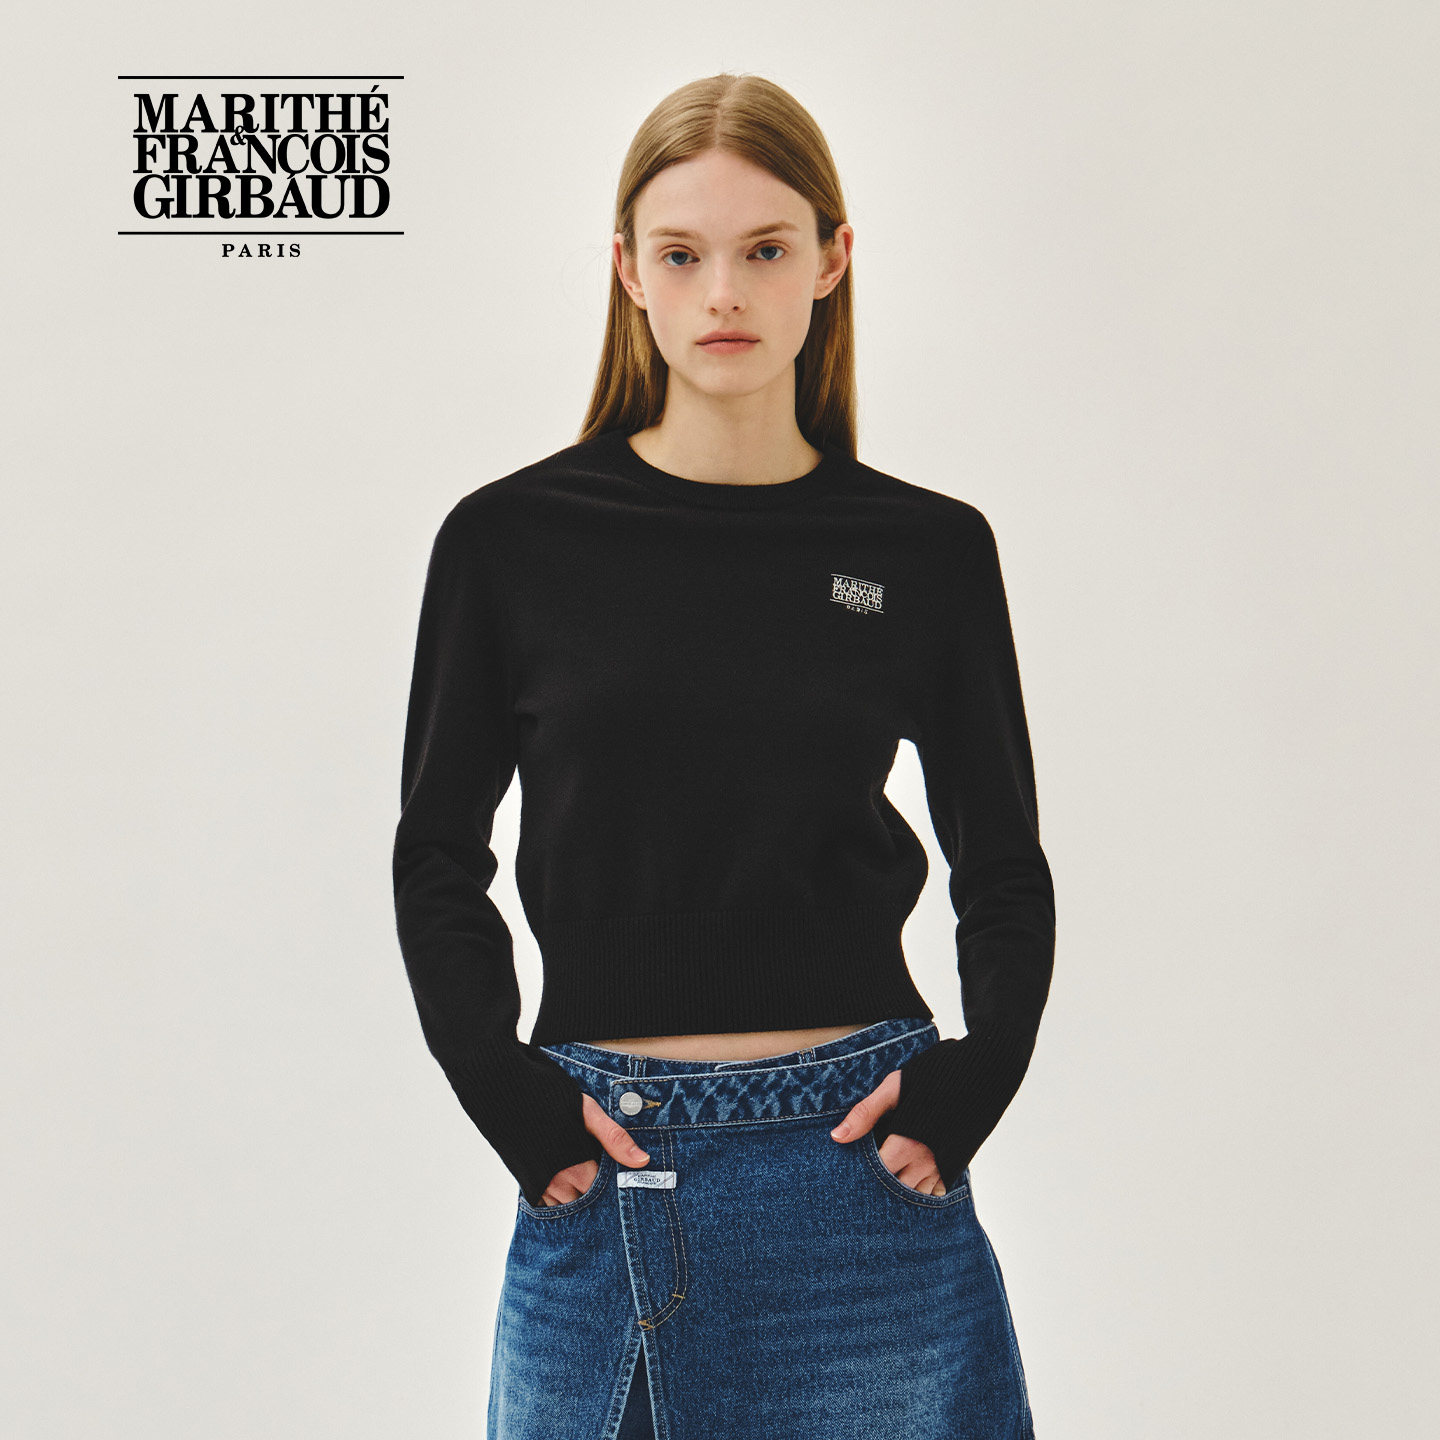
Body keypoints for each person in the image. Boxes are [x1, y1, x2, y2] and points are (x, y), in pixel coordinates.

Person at [392, 71, 1054, 1440]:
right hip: (606, 1165)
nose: (724, 294)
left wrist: (980, 1075)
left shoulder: (922, 552)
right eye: (683, 256)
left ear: (832, 260)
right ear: (628, 272)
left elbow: (1002, 862)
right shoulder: (510, 544)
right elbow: (437, 856)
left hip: (863, 1173)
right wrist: (504, 1092)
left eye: (764, 250)